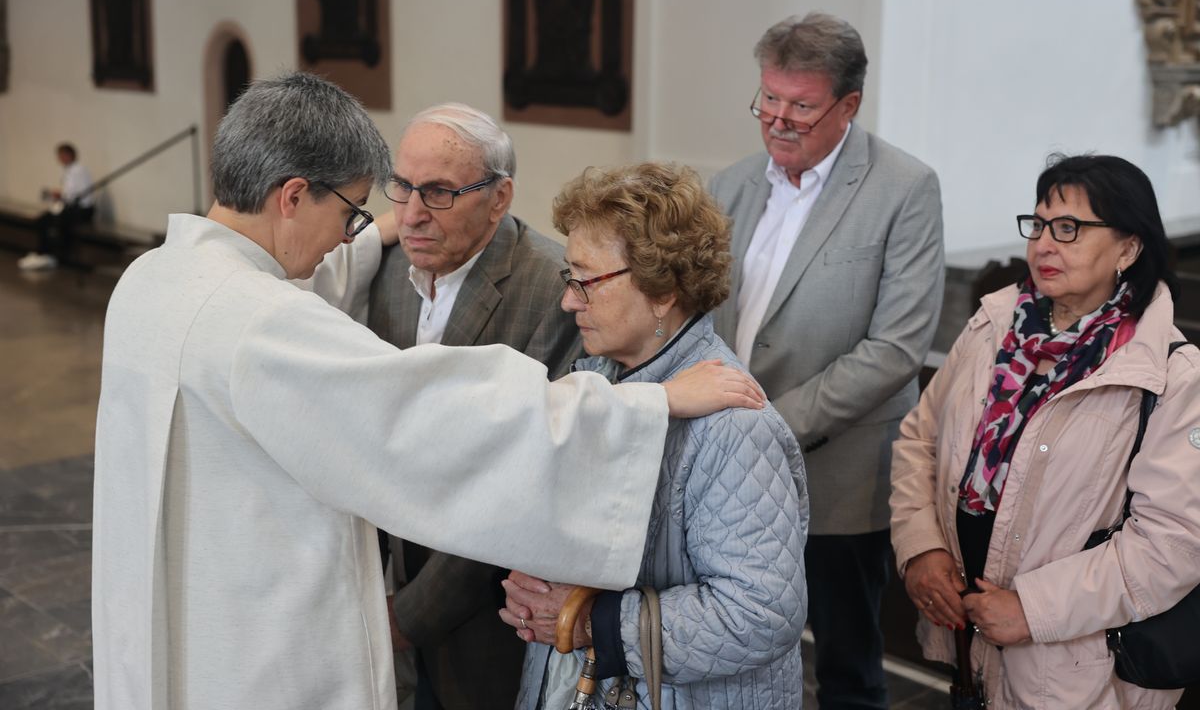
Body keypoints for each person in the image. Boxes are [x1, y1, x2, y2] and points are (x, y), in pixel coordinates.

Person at [91, 72, 765, 710]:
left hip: (174, 620)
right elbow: (436, 416)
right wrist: (645, 404)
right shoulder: (259, 324)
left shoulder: (153, 279)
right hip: (254, 648)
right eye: (358, 209)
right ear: (293, 196)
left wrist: (382, 226)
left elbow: (286, 289)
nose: (356, 233)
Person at [890, 155, 1200, 708]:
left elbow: (1173, 543)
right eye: (1039, 225)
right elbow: (921, 439)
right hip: (970, 641)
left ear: (1128, 248)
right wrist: (922, 548)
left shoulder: (1169, 375)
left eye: (1070, 229)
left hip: (1078, 670)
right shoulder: (993, 325)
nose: (1044, 245)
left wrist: (1033, 609)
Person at [499, 163, 809, 709]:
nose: (570, 301)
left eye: (586, 280)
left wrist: (589, 620)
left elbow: (761, 614)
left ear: (662, 290)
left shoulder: (736, 427)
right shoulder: (594, 378)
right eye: (567, 278)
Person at [707, 12, 944, 709]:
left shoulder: (904, 189)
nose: (778, 120)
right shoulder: (732, 184)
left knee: (847, 668)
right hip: (727, 464)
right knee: (737, 647)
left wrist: (771, 426)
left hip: (837, 472)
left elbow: (895, 350)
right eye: (768, 101)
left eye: (801, 107)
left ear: (848, 105)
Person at [367, 103, 580, 710]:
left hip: (486, 612)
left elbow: (516, 482)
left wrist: (412, 614)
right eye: (403, 186)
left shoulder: (551, 289)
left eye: (437, 192)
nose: (411, 214)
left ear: (499, 196)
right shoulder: (387, 268)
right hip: (390, 581)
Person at [18, 143, 95, 270]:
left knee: (52, 221)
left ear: (69, 155)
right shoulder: (70, 170)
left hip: (82, 210)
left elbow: (72, 195)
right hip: (73, 208)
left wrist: (56, 194)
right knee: (44, 220)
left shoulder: (78, 170)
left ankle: (48, 254)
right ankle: (43, 253)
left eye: (62, 155)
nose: (59, 158)